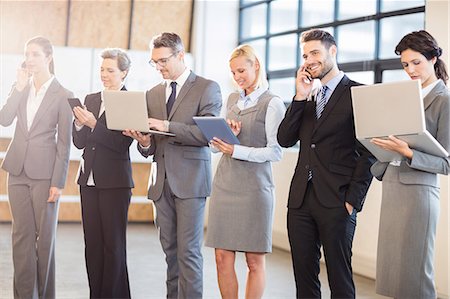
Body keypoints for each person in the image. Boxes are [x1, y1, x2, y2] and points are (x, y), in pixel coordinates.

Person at [277, 29, 375, 298]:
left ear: (333, 51)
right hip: (300, 200)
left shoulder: (358, 93)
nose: (309, 60)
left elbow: (369, 152)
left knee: (340, 279)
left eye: (315, 53)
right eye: (305, 55)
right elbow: (285, 139)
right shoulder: (308, 96)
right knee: (303, 279)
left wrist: (352, 200)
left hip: (338, 199)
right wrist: (298, 97)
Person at [123, 32, 222, 298]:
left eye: (163, 61)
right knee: (171, 254)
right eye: (154, 62)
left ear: (180, 55)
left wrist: (166, 126)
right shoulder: (153, 93)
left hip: (191, 183)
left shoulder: (207, 87)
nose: (159, 67)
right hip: (160, 183)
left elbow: (207, 136)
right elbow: (152, 147)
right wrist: (143, 141)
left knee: (188, 253)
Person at [370, 30, 450, 299]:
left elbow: (447, 162)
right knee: (394, 274)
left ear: (433, 58)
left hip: (419, 194)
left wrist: (408, 152)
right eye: (405, 65)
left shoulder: (444, 100)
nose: (410, 70)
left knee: (415, 276)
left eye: (416, 62)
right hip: (393, 187)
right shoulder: (404, 97)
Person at [204, 44, 285, 299]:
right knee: (221, 258)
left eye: (241, 71)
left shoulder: (272, 103)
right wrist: (225, 138)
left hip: (254, 190)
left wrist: (236, 150)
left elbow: (276, 152)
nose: (237, 77)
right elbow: (217, 148)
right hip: (225, 185)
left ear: (256, 66)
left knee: (253, 261)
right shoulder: (231, 100)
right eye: (233, 72)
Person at [0, 36, 73, 299]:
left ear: (48, 58)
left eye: (35, 55)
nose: (29, 60)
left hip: (45, 176)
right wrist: (18, 88)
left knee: (44, 244)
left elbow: (65, 144)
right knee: (21, 238)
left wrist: (58, 182)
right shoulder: (20, 87)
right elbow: (4, 119)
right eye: (26, 54)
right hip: (16, 172)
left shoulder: (64, 95)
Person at [72, 48, 134, 298]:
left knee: (113, 246)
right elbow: (80, 143)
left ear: (124, 73)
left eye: (110, 70)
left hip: (115, 183)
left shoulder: (129, 101)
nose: (104, 75)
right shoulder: (92, 98)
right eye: (102, 70)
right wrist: (78, 124)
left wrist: (92, 124)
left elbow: (121, 144)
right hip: (88, 181)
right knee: (93, 246)